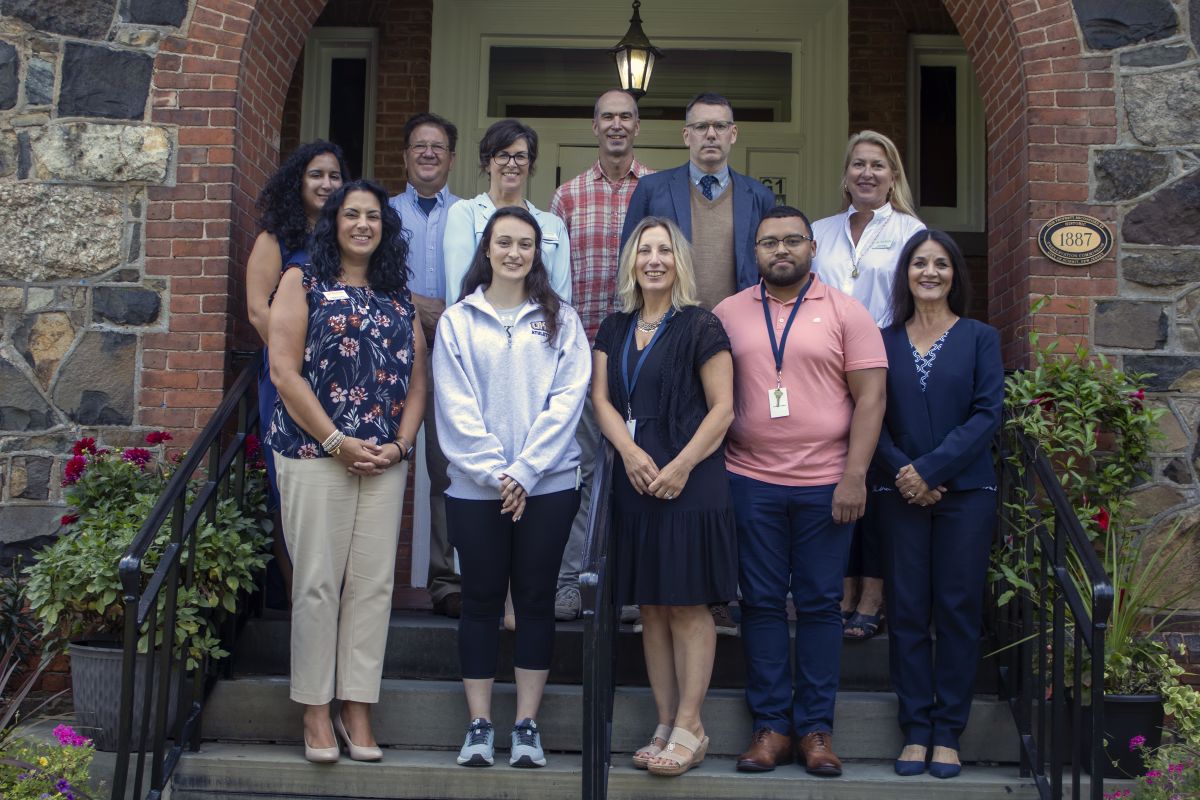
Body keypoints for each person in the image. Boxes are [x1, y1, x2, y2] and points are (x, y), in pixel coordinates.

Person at [713, 205, 886, 776]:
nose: (780, 250)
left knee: (818, 606)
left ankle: (815, 730)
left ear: (812, 248)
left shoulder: (846, 311)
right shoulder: (727, 314)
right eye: (769, 243)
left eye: (792, 240)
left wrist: (855, 476)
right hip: (749, 480)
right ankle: (770, 729)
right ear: (755, 253)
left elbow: (871, 399)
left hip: (825, 485)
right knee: (759, 604)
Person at [266, 179, 426, 764]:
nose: (363, 224)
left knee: (372, 586)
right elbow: (284, 372)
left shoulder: (398, 296)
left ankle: (357, 707)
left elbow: (417, 382)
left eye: (374, 216)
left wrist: (403, 446)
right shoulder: (301, 281)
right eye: (352, 214)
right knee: (316, 582)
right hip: (315, 453)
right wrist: (334, 440)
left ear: (386, 228)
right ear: (333, 222)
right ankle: (315, 710)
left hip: (382, 460)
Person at [434, 206, 590, 769]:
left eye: (526, 244)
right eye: (504, 243)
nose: (515, 253)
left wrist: (524, 473)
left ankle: (526, 724)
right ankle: (479, 724)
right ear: (487, 248)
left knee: (534, 601)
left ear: (537, 252)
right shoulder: (457, 320)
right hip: (476, 489)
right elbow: (454, 405)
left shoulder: (562, 320)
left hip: (547, 486)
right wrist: (496, 472)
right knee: (478, 601)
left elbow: (567, 402)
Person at [593, 216, 736, 776]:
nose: (654, 259)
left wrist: (678, 466)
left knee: (687, 601)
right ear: (632, 262)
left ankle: (692, 725)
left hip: (691, 477)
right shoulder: (614, 326)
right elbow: (600, 400)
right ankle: (664, 719)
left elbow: (723, 408)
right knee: (651, 604)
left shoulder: (702, 325)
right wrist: (630, 454)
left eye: (664, 251)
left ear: (679, 261)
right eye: (644, 250)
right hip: (636, 476)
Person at [874, 229, 1002, 780]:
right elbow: (866, 417)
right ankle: (916, 729)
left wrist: (929, 470)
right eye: (920, 263)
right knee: (904, 611)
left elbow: (986, 414)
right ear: (905, 273)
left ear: (956, 274)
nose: (930, 272)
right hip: (898, 493)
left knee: (955, 609)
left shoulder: (980, 338)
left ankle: (948, 730)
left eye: (941, 264)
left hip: (965, 494)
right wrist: (905, 472)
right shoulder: (881, 342)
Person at [811, 130, 925, 641]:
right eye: (858, 164)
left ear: (893, 175)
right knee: (834, 469)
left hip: (885, 360)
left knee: (876, 475)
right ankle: (841, 584)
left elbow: (917, 296)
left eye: (878, 165)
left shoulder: (909, 231)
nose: (867, 174)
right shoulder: (821, 231)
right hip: (824, 362)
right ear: (846, 173)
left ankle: (872, 593)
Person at [548, 88, 654, 621]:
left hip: (643, 354)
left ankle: (631, 588)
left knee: (639, 469)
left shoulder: (657, 189)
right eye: (607, 116)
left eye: (626, 117)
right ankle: (571, 585)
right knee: (582, 470)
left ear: (637, 126)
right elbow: (552, 282)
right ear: (595, 126)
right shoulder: (567, 197)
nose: (616, 125)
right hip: (584, 357)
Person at [246, 140, 347, 602]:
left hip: (337, 380)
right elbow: (256, 311)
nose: (327, 184)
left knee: (334, 479)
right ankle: (294, 594)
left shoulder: (343, 238)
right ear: (298, 182)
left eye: (334, 176)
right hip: (287, 378)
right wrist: (299, 361)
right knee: (288, 483)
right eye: (316, 175)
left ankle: (332, 589)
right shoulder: (276, 238)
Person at [389, 112, 463, 618]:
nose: (429, 154)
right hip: (389, 351)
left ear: (452, 158)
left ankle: (444, 580)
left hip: (452, 355)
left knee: (446, 466)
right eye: (420, 146)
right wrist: (416, 304)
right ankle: (369, 579)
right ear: (407, 156)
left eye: (438, 146)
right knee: (378, 461)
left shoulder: (469, 215)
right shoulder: (383, 213)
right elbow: (362, 271)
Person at [620, 91, 776, 310]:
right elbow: (628, 263)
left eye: (720, 126)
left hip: (739, 327)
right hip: (669, 324)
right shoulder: (651, 190)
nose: (711, 134)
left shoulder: (760, 196)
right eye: (701, 127)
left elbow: (770, 268)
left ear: (733, 133)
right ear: (686, 135)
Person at [442, 119, 571, 306]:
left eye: (520, 156)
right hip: (479, 328)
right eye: (502, 155)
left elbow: (562, 301)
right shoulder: (465, 214)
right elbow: (458, 292)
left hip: (539, 330)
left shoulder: (553, 225)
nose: (512, 164)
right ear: (487, 163)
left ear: (530, 164)